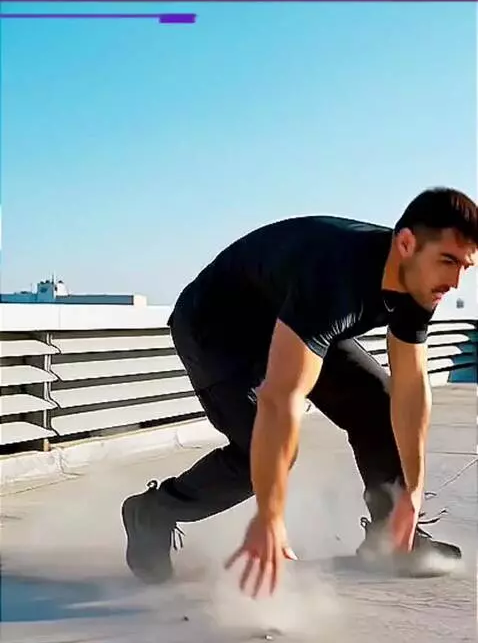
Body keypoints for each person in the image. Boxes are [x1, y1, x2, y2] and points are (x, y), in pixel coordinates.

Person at [122, 187, 477, 592]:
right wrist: (270, 517)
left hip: (287, 314)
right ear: (407, 243)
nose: (454, 281)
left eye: (466, 267)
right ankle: (153, 511)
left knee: (378, 403)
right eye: (448, 261)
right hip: (216, 326)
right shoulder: (335, 278)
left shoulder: (422, 280)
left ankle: (390, 538)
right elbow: (281, 399)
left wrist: (411, 495)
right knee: (258, 449)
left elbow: (411, 390)